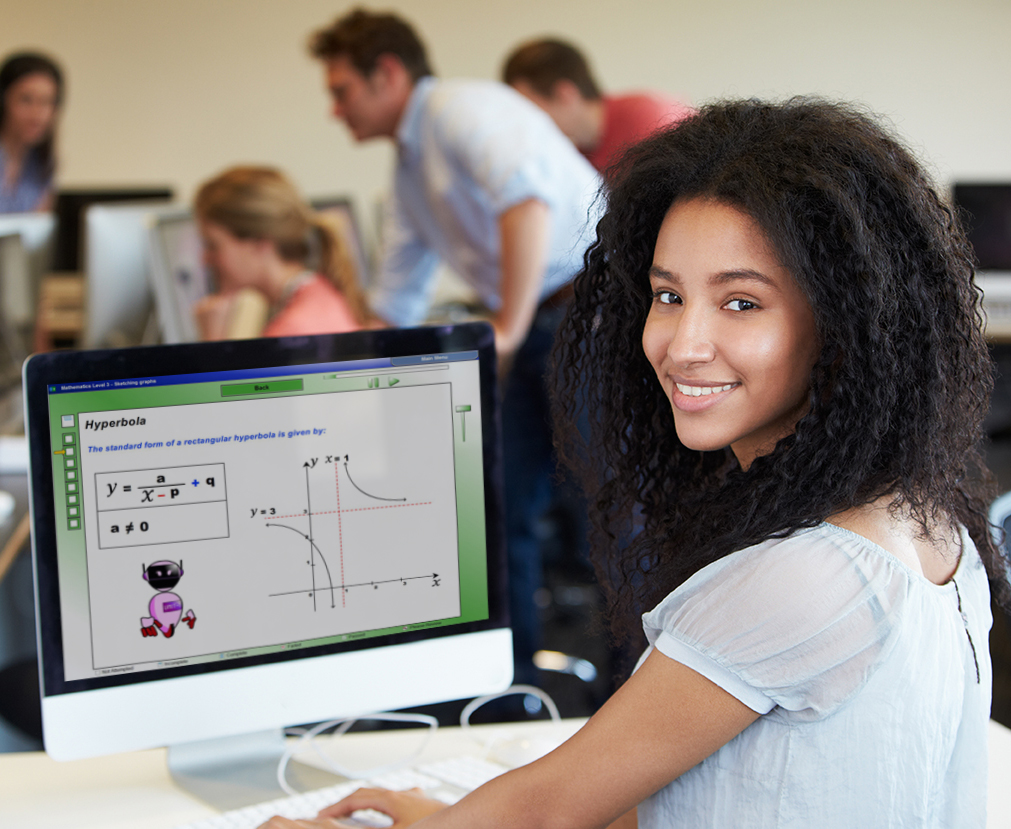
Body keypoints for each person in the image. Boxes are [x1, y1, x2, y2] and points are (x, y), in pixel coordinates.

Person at [260, 99, 1004, 827]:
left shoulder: (808, 576)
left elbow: (545, 809)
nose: (681, 344)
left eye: (741, 303)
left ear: (842, 324)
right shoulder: (927, 521)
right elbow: (719, 786)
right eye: (667, 295)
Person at [308, 9, 600, 685]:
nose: (333, 109)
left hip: (583, 307)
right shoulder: (411, 168)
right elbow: (395, 299)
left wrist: (508, 323)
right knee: (502, 505)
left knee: (600, 508)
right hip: (541, 322)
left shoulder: (460, 110)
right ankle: (512, 683)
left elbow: (526, 202)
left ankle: (622, 693)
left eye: (341, 90)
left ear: (386, 74)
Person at [193, 166, 368, 340]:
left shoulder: (289, 335)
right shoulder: (321, 291)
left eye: (213, 245)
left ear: (258, 242)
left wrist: (213, 341)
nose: (205, 259)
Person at [502, 38, 692, 176]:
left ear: (564, 94)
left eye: (528, 106)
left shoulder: (649, 118)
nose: (524, 118)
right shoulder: (577, 155)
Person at [0, 51, 63, 213]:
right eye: (26, 100)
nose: (37, 115)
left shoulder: (42, 163)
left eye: (46, 102)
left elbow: (37, 229)